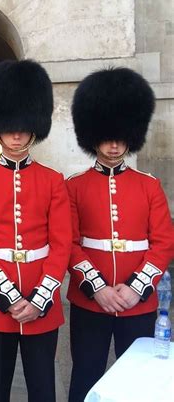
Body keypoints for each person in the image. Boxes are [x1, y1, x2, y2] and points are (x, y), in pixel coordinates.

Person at [0, 60, 72, 402]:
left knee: (43, 388)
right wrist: (8, 296)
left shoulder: (52, 180)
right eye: (9, 126)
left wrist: (41, 297)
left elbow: (61, 243)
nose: (17, 133)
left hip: (43, 300)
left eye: (24, 125)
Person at [67, 67, 174, 402]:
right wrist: (98, 288)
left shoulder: (149, 185)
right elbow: (68, 244)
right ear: (92, 135)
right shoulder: (74, 187)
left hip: (137, 304)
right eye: (106, 136)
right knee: (86, 374)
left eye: (120, 136)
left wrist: (135, 289)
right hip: (90, 301)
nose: (113, 144)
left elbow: (163, 243)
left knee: (138, 384)